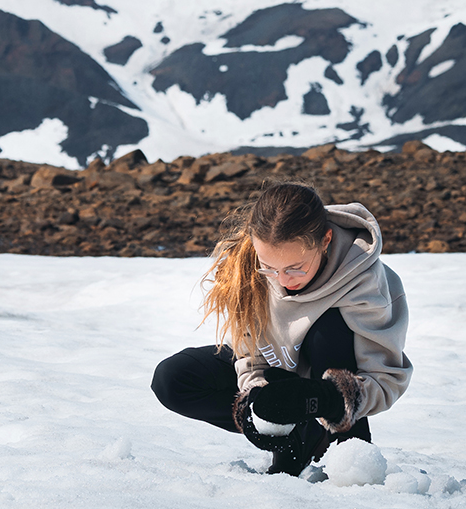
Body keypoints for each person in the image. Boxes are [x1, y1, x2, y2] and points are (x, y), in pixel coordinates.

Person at [150, 180, 411, 475]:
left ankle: (343, 448)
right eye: (270, 268)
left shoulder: (365, 282)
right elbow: (249, 352)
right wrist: (253, 400)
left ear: (325, 240)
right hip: (279, 368)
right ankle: (293, 439)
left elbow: (385, 379)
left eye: (295, 268)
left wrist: (323, 399)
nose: (283, 280)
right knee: (172, 379)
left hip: (329, 390)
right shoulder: (248, 264)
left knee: (329, 327)